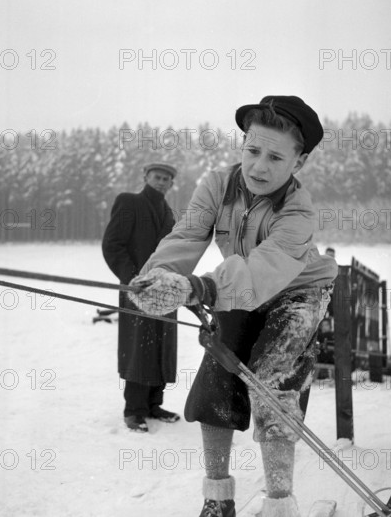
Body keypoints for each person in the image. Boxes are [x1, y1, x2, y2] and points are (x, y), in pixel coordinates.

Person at [129, 96, 338, 517]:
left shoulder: (299, 211)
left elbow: (262, 270)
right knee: (217, 382)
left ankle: (280, 506)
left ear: (298, 162)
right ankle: (217, 500)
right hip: (235, 289)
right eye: (253, 150)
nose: (259, 166)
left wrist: (200, 287)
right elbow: (187, 235)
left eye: (275, 157)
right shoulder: (218, 185)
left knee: (272, 382)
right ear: (243, 144)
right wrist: (159, 277)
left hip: (297, 293)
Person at [102, 162, 181, 433]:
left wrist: (175, 282)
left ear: (171, 184)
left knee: (162, 346)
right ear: (145, 177)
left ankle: (153, 405)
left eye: (167, 179)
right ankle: (134, 410)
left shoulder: (169, 213)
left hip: (165, 291)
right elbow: (113, 245)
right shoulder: (129, 202)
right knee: (139, 348)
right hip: (136, 291)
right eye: (157, 177)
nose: (162, 181)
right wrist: (132, 279)